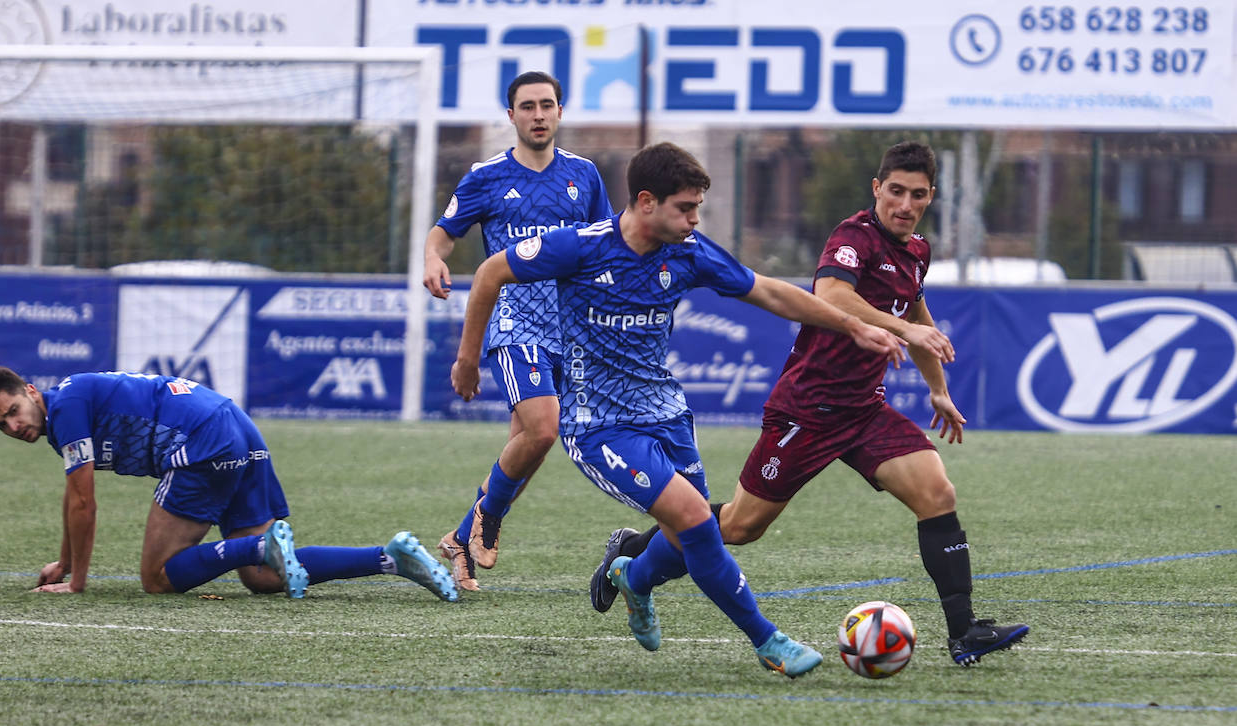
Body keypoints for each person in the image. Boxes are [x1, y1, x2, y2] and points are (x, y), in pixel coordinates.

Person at [451, 142, 906, 675]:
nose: (695, 220)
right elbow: (489, 275)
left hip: (667, 414)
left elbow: (770, 293)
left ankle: (633, 578)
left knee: (686, 534)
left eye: (698, 209)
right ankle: (769, 642)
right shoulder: (579, 247)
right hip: (599, 427)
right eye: (685, 208)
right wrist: (467, 359)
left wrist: (853, 324)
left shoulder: (688, 252)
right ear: (646, 202)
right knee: (696, 520)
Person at [591, 141, 1030, 667]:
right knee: (740, 528)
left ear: (930, 197)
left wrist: (937, 387)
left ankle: (965, 632)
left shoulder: (917, 251)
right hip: (807, 411)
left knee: (936, 492)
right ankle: (635, 554)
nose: (904, 204)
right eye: (895, 191)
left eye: (916, 195)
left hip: (865, 411)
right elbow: (833, 295)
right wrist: (901, 327)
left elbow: (918, 314)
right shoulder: (854, 238)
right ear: (877, 188)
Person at [0, 367, 458, 602]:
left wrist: (76, 583)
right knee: (266, 578)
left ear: (32, 392)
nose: (13, 426)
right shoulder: (66, 412)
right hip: (236, 425)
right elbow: (72, 499)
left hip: (202, 441)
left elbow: (83, 503)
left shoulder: (67, 405)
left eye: (13, 411)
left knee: (157, 579)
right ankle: (390, 557)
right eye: (1, 425)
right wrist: (66, 561)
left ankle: (255, 547)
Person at [423, 70, 613, 591]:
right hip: (515, 320)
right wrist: (432, 260)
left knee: (528, 445)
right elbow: (443, 234)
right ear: (511, 116)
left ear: (559, 112)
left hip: (570, 326)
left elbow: (604, 247)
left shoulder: (585, 175)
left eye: (546, 105)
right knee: (544, 428)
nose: (537, 115)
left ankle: (462, 537)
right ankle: (486, 525)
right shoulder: (486, 176)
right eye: (527, 106)